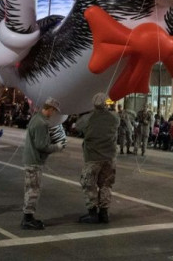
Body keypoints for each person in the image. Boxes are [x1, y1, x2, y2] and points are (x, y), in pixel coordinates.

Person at [21, 97, 65, 230]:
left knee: (30, 189)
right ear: (50, 109)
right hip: (35, 161)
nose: (54, 114)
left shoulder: (36, 118)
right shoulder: (41, 123)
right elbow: (42, 146)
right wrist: (57, 147)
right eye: (54, 111)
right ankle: (28, 219)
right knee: (33, 190)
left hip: (30, 159)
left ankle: (28, 217)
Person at [75, 92, 120, 224]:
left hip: (93, 157)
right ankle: (104, 213)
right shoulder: (114, 118)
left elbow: (78, 126)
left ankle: (92, 212)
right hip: (110, 157)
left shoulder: (88, 118)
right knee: (106, 184)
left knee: (89, 184)